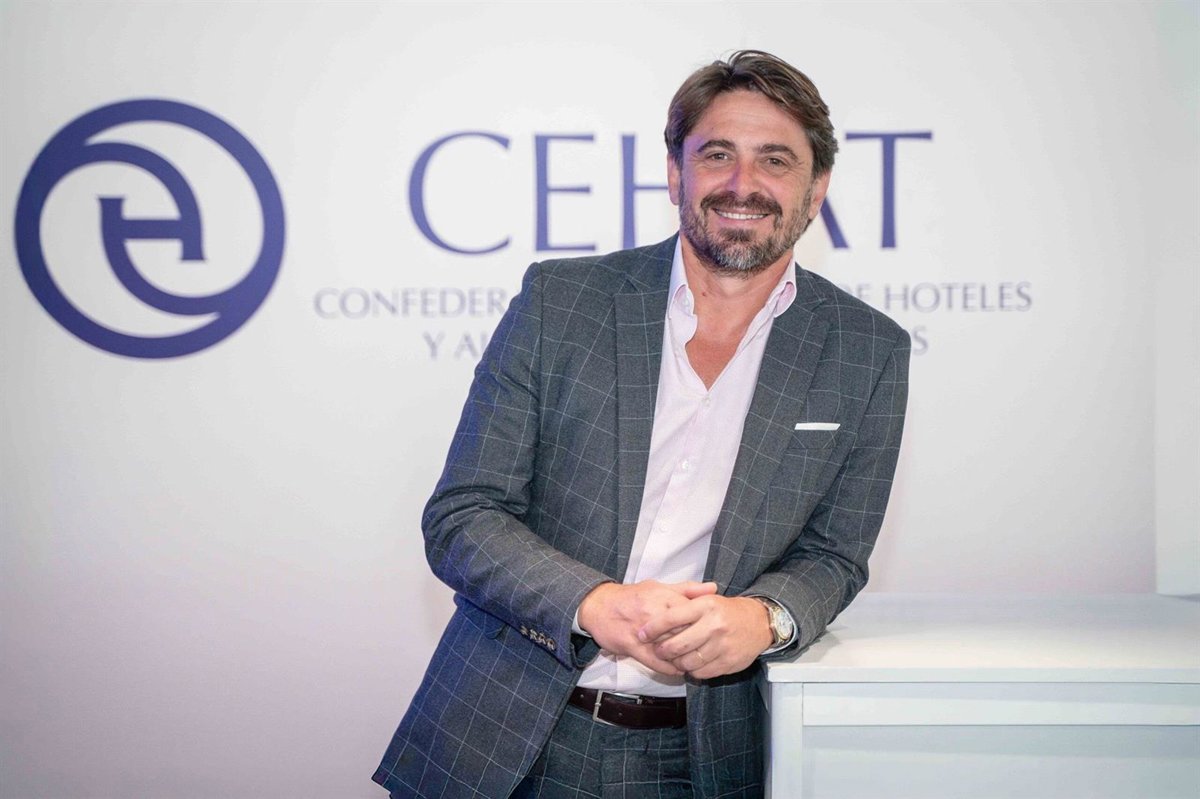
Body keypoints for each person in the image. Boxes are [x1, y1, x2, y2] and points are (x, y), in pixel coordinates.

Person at [373, 49, 909, 799]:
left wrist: (766, 618)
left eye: (775, 159)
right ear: (675, 174)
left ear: (817, 187)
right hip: (503, 731)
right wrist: (596, 603)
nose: (742, 183)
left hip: (703, 758)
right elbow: (463, 515)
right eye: (716, 154)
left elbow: (835, 554)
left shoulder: (867, 350)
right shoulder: (562, 302)